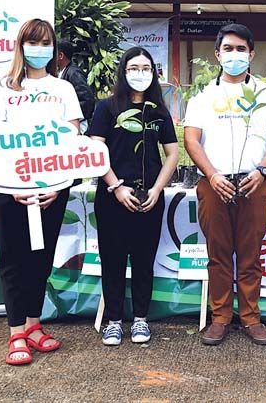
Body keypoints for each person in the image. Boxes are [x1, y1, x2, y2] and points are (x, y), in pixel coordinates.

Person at [0, 19, 83, 366]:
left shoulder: (64, 89)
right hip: (9, 189)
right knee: (12, 258)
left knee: (40, 258)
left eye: (45, 44)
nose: (39, 49)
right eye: (33, 42)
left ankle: (33, 324)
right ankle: (16, 332)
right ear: (21, 46)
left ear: (54, 50)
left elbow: (72, 140)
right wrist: (12, 185)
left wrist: (57, 186)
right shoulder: (3, 87)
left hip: (51, 191)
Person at [183, 24, 266, 346]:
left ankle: (251, 318)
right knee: (218, 255)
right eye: (228, 49)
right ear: (217, 55)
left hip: (253, 182)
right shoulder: (204, 96)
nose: (234, 54)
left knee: (250, 255)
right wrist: (213, 175)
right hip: (214, 184)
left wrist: (263, 170)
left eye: (241, 49)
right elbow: (191, 139)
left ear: (251, 55)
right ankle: (220, 318)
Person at [87, 47, 178, 346]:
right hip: (112, 197)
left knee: (144, 260)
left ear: (154, 73)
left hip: (148, 197)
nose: (140, 74)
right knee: (112, 260)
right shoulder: (107, 108)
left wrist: (157, 189)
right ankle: (114, 321)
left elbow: (172, 153)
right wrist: (116, 187)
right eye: (133, 68)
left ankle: (140, 319)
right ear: (123, 72)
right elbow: (96, 149)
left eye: (146, 68)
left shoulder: (158, 110)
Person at [56, 39, 95, 132]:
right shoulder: (63, 72)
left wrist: (73, 117)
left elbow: (87, 99)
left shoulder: (73, 73)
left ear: (60, 56)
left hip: (77, 126)